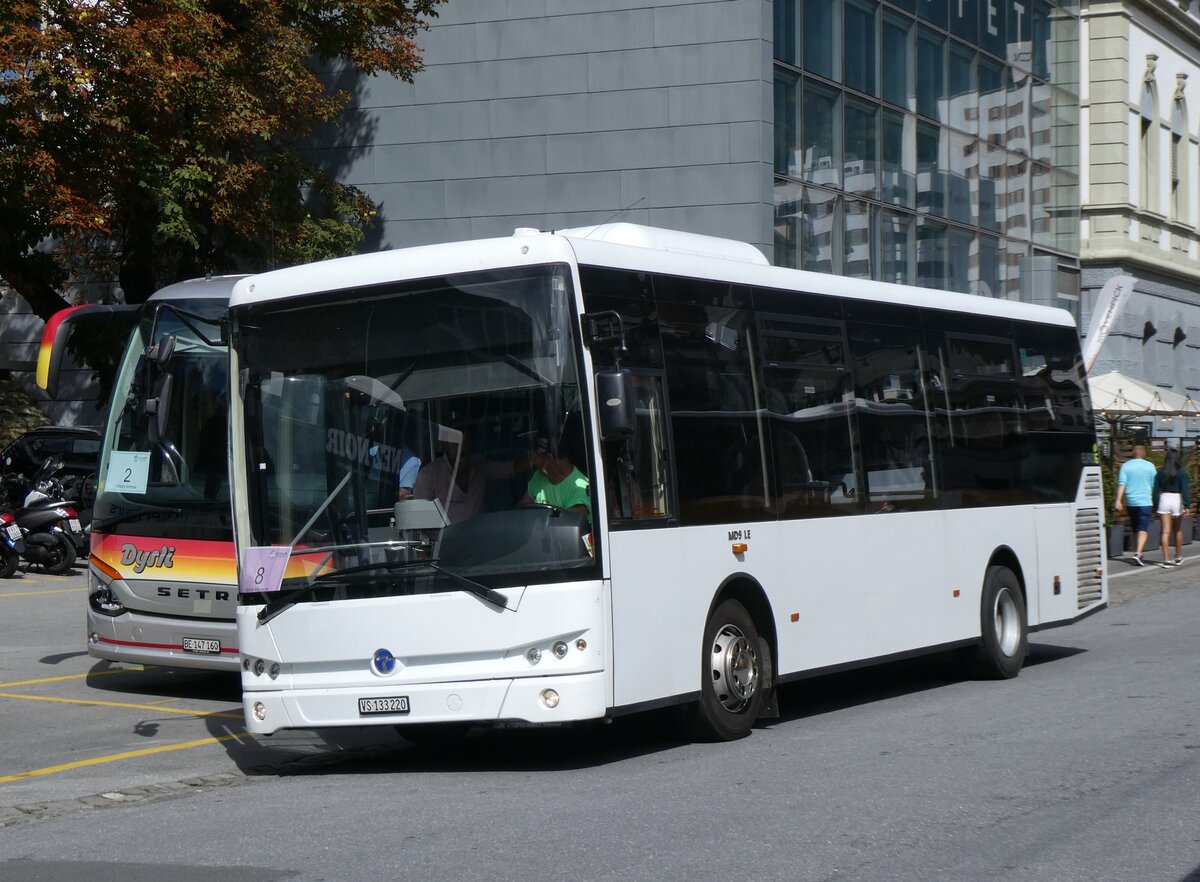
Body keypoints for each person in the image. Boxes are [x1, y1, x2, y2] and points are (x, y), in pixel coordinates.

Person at [413, 429, 523, 523]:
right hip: (443, 540)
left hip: (479, 537)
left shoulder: (481, 467)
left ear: (472, 445)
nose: (461, 449)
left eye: (465, 444)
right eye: (456, 444)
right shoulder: (429, 475)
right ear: (446, 445)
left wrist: (532, 459)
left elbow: (511, 468)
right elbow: (420, 518)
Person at [518, 429, 591, 522]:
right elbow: (520, 512)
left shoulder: (579, 489)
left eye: (534, 459)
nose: (532, 464)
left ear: (549, 459)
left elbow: (568, 527)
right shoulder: (538, 477)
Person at [1114, 444, 1158, 566]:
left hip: (1131, 501)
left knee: (1135, 527)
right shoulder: (1150, 466)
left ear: (1133, 453)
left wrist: (1118, 500)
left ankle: (1138, 552)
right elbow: (1154, 485)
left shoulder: (1126, 466)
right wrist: (1156, 500)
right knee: (1143, 528)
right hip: (1145, 501)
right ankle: (1138, 553)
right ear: (1144, 453)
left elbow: (1122, 483)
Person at [1154, 447, 1191, 568]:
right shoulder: (1181, 472)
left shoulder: (1160, 472)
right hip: (1177, 499)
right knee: (1178, 530)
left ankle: (1166, 560)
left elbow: (1155, 490)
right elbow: (1185, 489)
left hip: (1164, 498)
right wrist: (1187, 505)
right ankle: (1178, 557)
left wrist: (1156, 505)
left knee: (1165, 531)